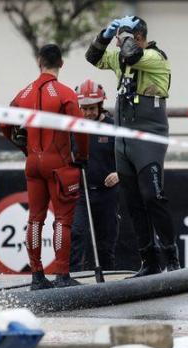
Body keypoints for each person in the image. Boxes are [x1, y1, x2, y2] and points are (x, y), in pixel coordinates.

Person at [85, 15, 180, 276]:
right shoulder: (122, 57)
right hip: (124, 136)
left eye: (123, 36)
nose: (118, 42)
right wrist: (106, 34)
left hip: (149, 134)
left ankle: (172, 258)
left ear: (137, 37)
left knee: (153, 195)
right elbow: (93, 57)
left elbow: (130, 55)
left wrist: (125, 34)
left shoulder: (154, 57)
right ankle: (149, 261)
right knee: (134, 201)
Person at [0, 44, 89, 290]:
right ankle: (62, 275)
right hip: (58, 164)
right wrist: (82, 155)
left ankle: (37, 276)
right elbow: (80, 129)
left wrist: (23, 148)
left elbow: (5, 125)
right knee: (62, 220)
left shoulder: (23, 93)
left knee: (35, 219)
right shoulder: (65, 93)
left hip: (33, 163)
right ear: (61, 63)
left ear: (39, 62)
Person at [70, 79, 119, 271]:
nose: (88, 113)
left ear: (100, 106)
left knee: (106, 242)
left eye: (92, 108)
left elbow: (127, 156)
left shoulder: (113, 127)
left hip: (107, 194)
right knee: (77, 234)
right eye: (84, 108)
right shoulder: (72, 127)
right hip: (80, 193)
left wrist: (118, 173)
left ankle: (108, 279)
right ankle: (73, 278)